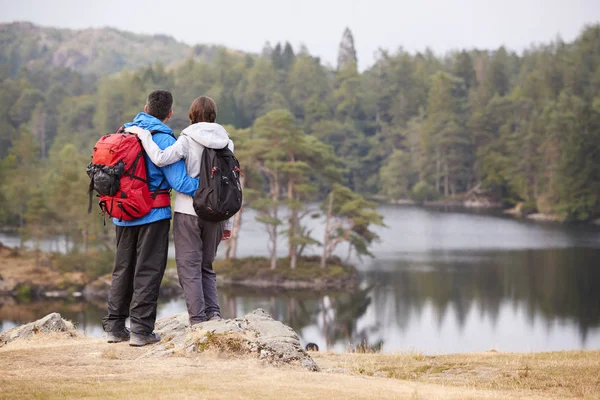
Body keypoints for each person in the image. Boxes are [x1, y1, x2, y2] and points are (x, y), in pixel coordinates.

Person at [102, 90, 199, 346]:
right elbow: (180, 182)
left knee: (122, 269)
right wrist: (209, 186)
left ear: (145, 107)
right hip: (152, 214)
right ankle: (141, 331)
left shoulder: (125, 131)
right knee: (148, 270)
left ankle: (114, 326)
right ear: (169, 113)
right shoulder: (164, 139)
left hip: (122, 213)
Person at [126, 96, 233, 326]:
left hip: (188, 212)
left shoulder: (187, 138)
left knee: (188, 268)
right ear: (214, 114)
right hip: (216, 213)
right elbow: (230, 184)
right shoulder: (227, 142)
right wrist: (228, 224)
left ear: (191, 115)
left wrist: (144, 135)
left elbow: (161, 158)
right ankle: (213, 315)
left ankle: (198, 321)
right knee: (206, 266)